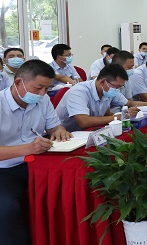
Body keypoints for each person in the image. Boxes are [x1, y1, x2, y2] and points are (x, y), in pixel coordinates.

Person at [0, 60, 72, 245]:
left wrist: (59, 131)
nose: (42, 94)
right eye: (39, 88)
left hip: (37, 162)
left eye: (47, 89)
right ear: (19, 82)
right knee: (7, 210)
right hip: (5, 169)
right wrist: (28, 148)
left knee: (68, 190)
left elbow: (54, 126)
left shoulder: (43, 100)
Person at [56, 64, 138, 131]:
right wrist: (119, 117)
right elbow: (84, 122)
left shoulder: (106, 91)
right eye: (116, 86)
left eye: (120, 87)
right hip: (65, 135)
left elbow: (106, 114)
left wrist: (126, 115)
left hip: (88, 132)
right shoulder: (79, 91)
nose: (117, 90)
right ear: (102, 82)